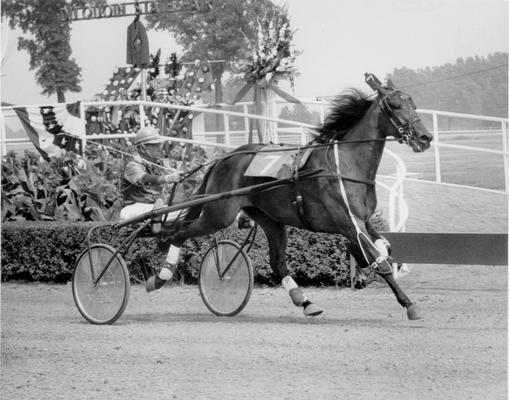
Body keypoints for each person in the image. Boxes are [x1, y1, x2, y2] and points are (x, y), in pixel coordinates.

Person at [120, 126, 184, 292]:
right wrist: (166, 178)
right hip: (133, 209)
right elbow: (145, 180)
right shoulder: (132, 165)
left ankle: (157, 216)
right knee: (160, 208)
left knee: (181, 212)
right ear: (142, 147)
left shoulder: (159, 164)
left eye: (159, 144)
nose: (159, 147)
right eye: (154, 145)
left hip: (155, 210)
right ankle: (157, 215)